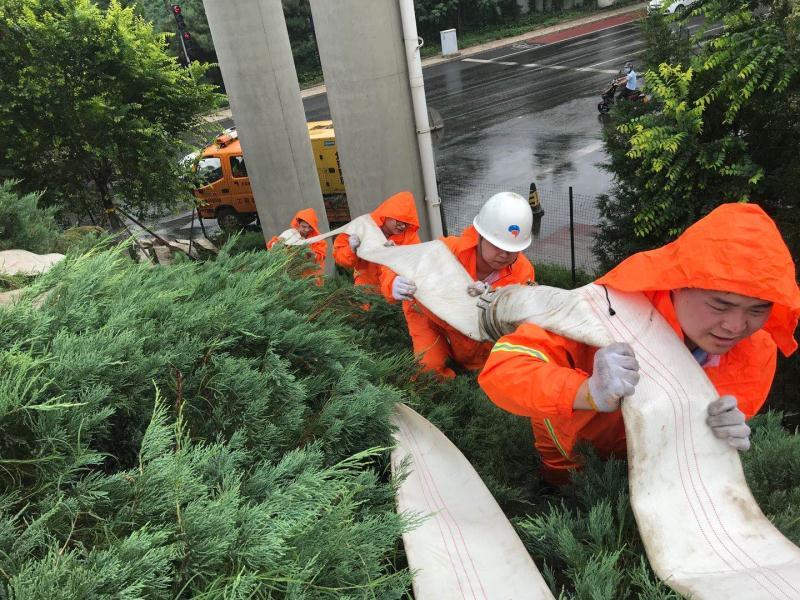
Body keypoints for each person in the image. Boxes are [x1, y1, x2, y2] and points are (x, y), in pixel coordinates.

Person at [478, 203, 800, 485]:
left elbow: (720, 417)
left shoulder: (757, 348)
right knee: (560, 492)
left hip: (652, 471)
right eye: (720, 305)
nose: (736, 326)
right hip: (570, 453)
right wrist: (586, 391)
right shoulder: (604, 309)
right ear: (677, 284)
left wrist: (723, 435)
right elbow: (504, 370)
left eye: (758, 309)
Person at [404, 192, 536, 378]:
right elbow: (403, 262)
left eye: (512, 250)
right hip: (428, 316)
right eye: (497, 246)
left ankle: (467, 366)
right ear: (480, 236)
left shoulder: (523, 272)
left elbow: (516, 319)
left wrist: (494, 302)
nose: (504, 255)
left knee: (485, 372)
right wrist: (393, 283)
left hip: (473, 328)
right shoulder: (448, 251)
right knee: (430, 369)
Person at [333, 190, 421, 301]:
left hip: (395, 293)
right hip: (365, 291)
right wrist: (351, 249)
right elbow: (340, 258)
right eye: (399, 222)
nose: (402, 226)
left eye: (407, 223)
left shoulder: (410, 237)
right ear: (387, 215)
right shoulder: (363, 226)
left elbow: (416, 263)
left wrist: (396, 254)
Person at [267, 207, 327, 282]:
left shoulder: (319, 239)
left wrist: (307, 249)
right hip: (293, 276)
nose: (307, 230)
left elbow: (320, 257)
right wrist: (279, 243)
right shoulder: (290, 234)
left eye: (310, 227)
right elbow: (273, 248)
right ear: (298, 223)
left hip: (312, 277)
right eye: (304, 226)